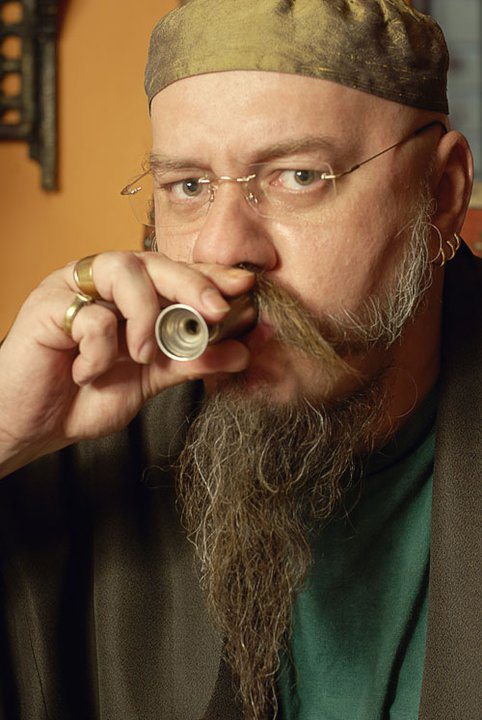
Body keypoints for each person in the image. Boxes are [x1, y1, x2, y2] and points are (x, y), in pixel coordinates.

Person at [0, 1, 480, 718]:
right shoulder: (80, 423)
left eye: (299, 176)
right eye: (189, 187)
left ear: (441, 192)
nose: (222, 247)